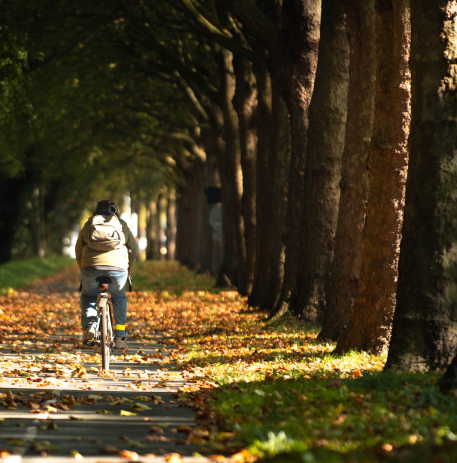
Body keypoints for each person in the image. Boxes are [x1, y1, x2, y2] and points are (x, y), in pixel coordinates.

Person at [75, 200, 138, 349]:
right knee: (119, 297)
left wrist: (83, 268)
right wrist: (127, 271)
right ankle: (120, 336)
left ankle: (90, 325)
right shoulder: (121, 224)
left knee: (89, 296)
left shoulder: (89, 224)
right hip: (118, 268)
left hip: (91, 267)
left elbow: (78, 250)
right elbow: (134, 250)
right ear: (114, 211)